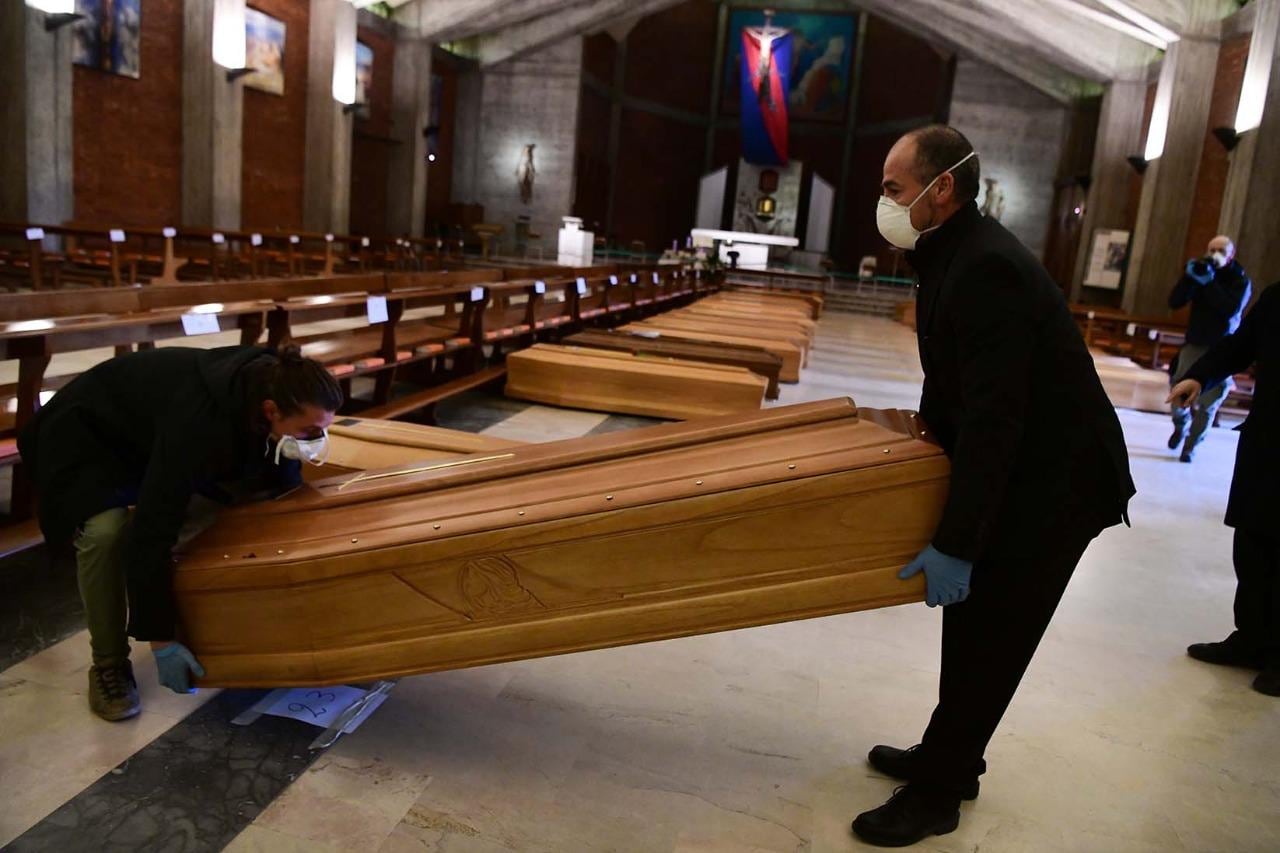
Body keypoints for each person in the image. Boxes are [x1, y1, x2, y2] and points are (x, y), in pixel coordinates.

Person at [850, 125, 1136, 847]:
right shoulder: (950, 252)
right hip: (1025, 464)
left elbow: (995, 421)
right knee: (973, 620)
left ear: (941, 187)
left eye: (893, 188)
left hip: (1058, 481)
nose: (884, 201)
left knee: (995, 632)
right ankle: (950, 754)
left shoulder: (986, 267)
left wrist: (957, 540)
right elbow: (955, 383)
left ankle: (938, 793)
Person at [17, 345, 342, 722]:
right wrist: (161, 639)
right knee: (107, 533)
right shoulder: (199, 424)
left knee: (238, 501)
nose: (317, 439)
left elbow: (279, 486)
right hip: (83, 436)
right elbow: (152, 529)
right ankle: (109, 665)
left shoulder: (278, 386)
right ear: (271, 411)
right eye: (310, 431)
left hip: (143, 429)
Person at [1170, 282, 1279, 697]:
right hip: (1267, 440)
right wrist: (1199, 376)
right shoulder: (1277, 297)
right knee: (1252, 545)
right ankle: (1251, 639)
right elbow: (1240, 345)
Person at [1166, 236, 1252, 462]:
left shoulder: (1240, 280)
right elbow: (1175, 302)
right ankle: (1180, 425)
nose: (1215, 254)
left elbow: (1230, 309)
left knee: (1208, 405)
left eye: (1221, 250)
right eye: (1212, 249)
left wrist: (1210, 283)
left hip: (1222, 348)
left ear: (1231, 255)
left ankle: (1190, 447)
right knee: (1178, 395)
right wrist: (1189, 279)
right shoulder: (1201, 270)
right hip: (1195, 343)